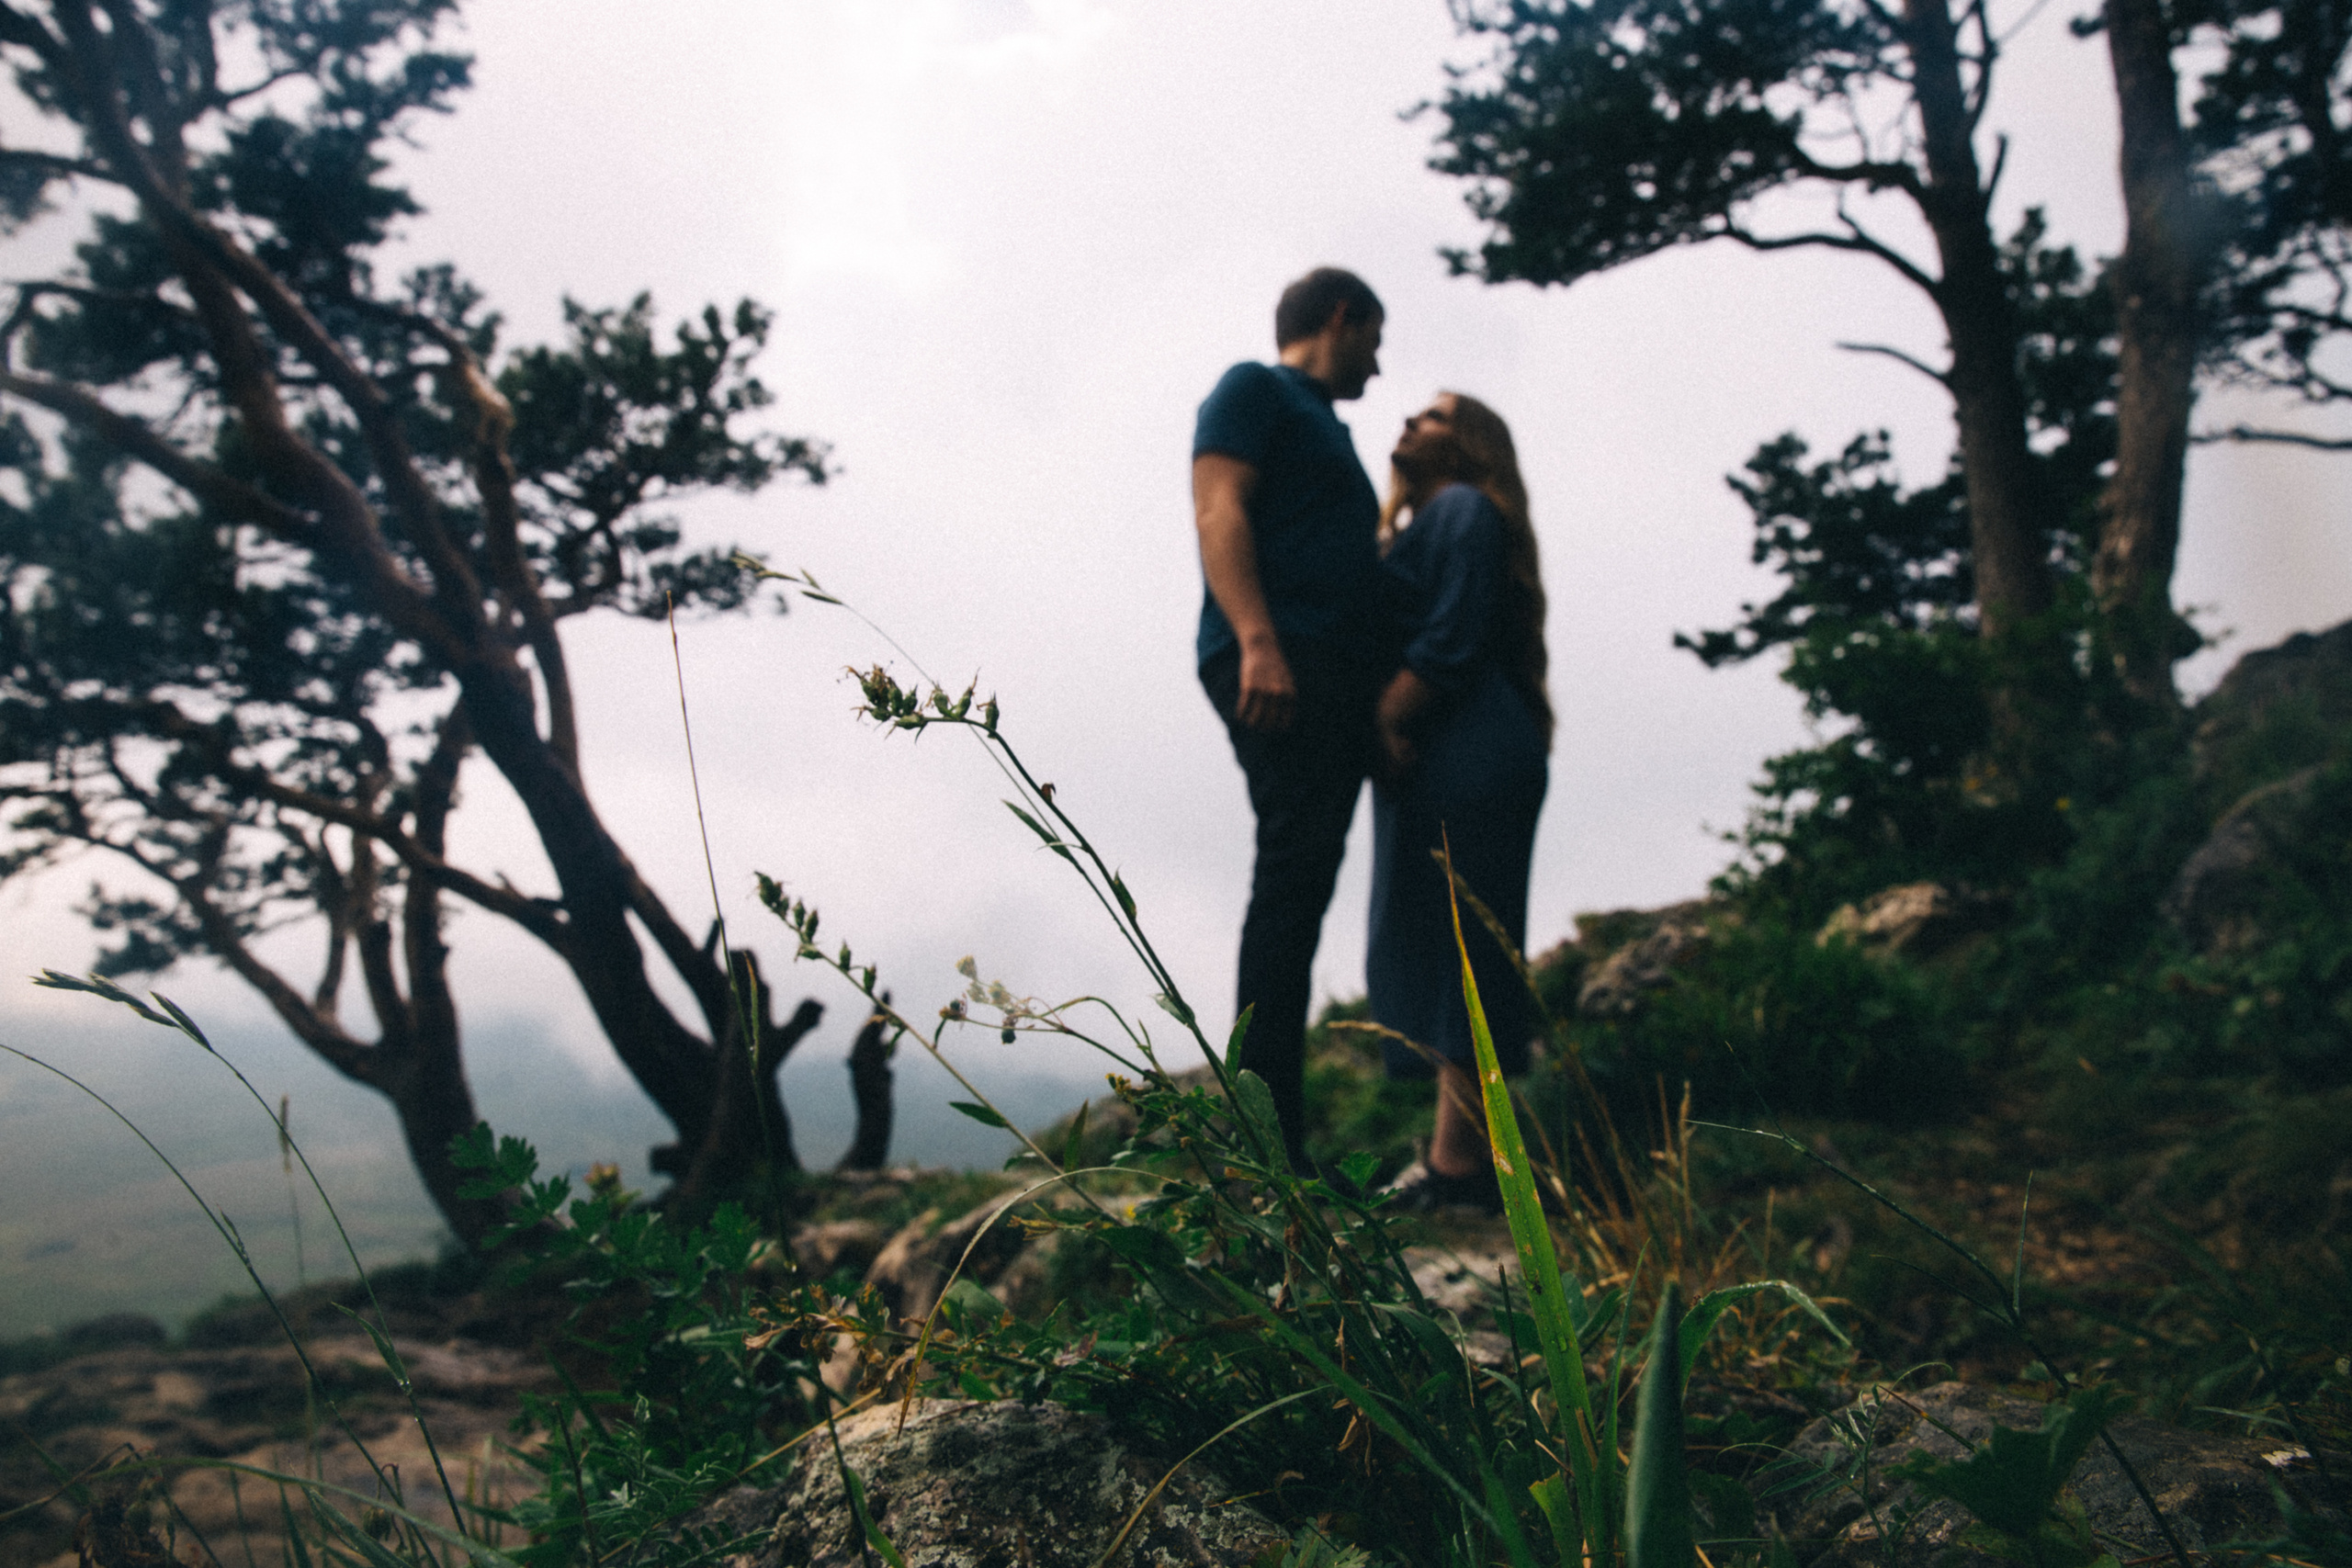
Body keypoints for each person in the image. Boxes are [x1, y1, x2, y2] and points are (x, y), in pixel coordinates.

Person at [1192, 266, 1386, 1168]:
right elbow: (1217, 506)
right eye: (1374, 342)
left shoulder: (1329, 427)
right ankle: (1268, 1147)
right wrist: (1256, 640)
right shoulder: (1255, 388)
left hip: (1328, 674)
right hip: (1281, 663)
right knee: (1289, 882)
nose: (1377, 367)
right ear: (1341, 319)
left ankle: (1273, 1136)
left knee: (1301, 886)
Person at [1366, 391, 1552, 1211]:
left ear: (1472, 443)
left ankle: (1462, 1168)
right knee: (1447, 941)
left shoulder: (1465, 509)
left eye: (1434, 416)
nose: (1409, 421)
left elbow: (1450, 638)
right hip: (1447, 746)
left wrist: (1386, 716)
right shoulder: (1427, 522)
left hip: (1469, 745)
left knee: (1468, 942)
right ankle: (1460, 1159)